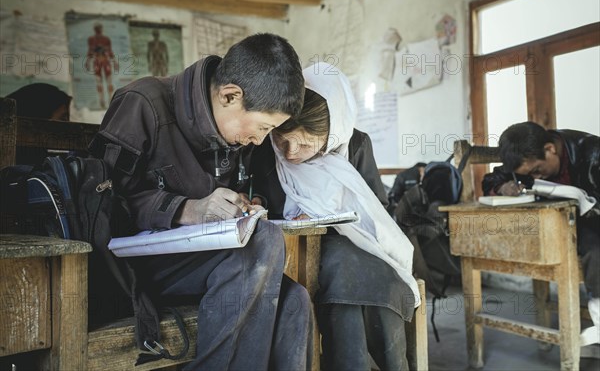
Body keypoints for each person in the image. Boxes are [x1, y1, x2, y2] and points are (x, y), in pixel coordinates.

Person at [88, 33, 313, 370]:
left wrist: (248, 203)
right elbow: (101, 207)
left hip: (211, 266)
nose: (260, 140)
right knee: (266, 239)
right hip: (133, 270)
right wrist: (186, 210)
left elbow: (253, 189)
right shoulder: (143, 103)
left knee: (296, 300)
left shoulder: (238, 130)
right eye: (264, 128)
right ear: (230, 95)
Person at [251, 63, 420, 370]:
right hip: (294, 250)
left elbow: (375, 208)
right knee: (346, 278)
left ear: (332, 133)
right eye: (283, 140)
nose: (290, 153)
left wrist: (327, 214)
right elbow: (256, 199)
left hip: (357, 243)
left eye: (304, 143)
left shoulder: (355, 144)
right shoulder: (262, 146)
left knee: (380, 277)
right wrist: (260, 204)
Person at [482, 121, 600, 348]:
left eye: (537, 170)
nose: (537, 177)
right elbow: (491, 180)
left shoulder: (593, 152)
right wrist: (504, 187)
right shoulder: (524, 158)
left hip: (592, 224)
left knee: (595, 249)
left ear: (550, 149)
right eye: (527, 175)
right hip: (556, 225)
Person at [85, 22, 118, 109]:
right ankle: (102, 101)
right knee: (100, 82)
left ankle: (110, 100)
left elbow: (110, 51)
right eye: (97, 29)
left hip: (104, 61)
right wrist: (88, 61)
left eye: (99, 29)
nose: (98, 31)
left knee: (108, 82)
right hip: (98, 62)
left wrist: (114, 62)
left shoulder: (105, 39)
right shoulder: (92, 39)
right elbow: (90, 51)